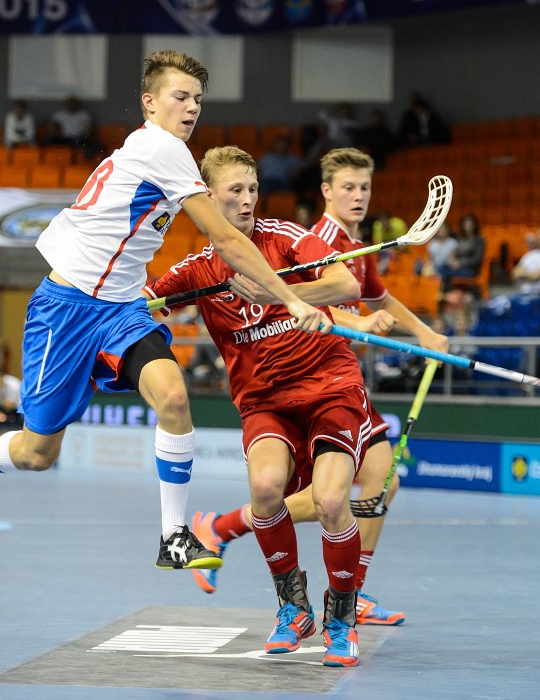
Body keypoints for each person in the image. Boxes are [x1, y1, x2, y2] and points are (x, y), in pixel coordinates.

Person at [0, 50, 329, 573]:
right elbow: (225, 237)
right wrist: (292, 296)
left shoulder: (162, 153)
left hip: (122, 306)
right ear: (150, 102)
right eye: (180, 96)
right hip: (67, 308)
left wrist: (148, 292)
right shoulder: (162, 148)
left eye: (198, 100)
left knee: (172, 396)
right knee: (36, 453)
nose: (191, 108)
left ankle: (173, 536)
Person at [185, 147, 448, 631]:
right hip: (305, 378)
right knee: (356, 488)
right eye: (348, 187)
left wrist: (423, 334)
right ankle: (226, 528)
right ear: (326, 191)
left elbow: (373, 293)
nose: (359, 197)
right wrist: (359, 319)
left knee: (379, 481)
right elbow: (313, 305)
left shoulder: (352, 239)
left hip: (330, 377)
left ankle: (350, 588)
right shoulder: (319, 236)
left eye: (365, 188)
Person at [147, 145, 367, 667]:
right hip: (264, 398)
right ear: (206, 199)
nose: (248, 201)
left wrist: (287, 296)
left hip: (328, 382)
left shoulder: (286, 238)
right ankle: (293, 608)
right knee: (266, 490)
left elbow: (346, 283)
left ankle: (341, 617)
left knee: (333, 502)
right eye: (235, 192)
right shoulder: (196, 270)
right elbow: (145, 302)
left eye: (252, 190)